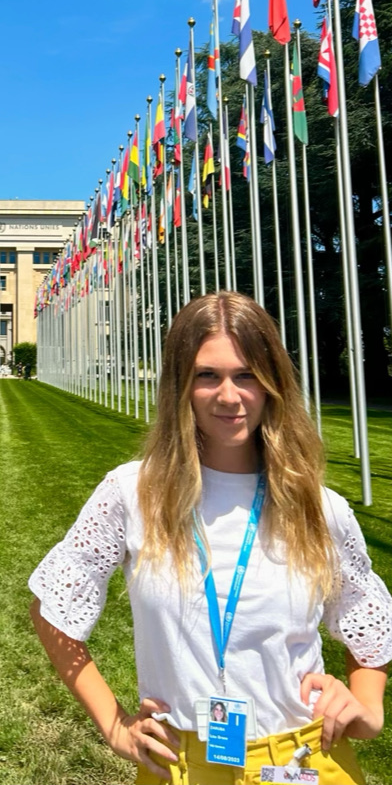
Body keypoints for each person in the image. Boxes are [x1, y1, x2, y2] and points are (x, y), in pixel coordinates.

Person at [29, 292, 391, 785]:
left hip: (302, 759)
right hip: (178, 760)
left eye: (246, 375)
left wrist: (368, 707)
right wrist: (114, 726)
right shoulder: (132, 493)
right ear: (180, 384)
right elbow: (52, 606)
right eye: (207, 376)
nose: (229, 395)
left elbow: (366, 623)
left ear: (272, 384)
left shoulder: (320, 508)